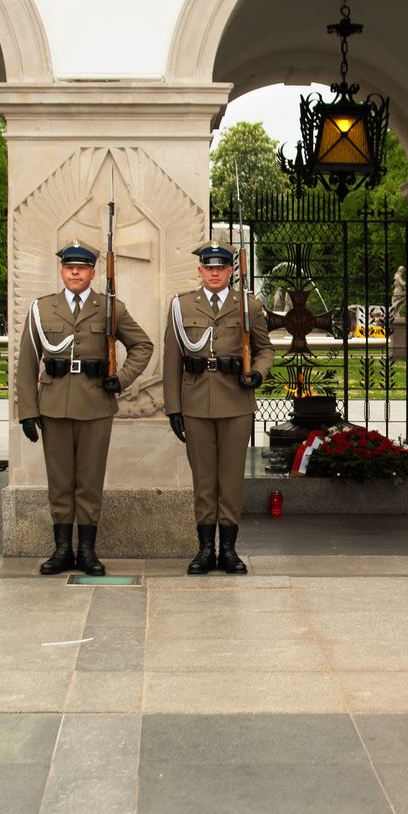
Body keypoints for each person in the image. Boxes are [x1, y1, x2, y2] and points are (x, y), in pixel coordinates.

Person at [16, 241, 154, 576]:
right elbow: (27, 361)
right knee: (60, 480)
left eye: (81, 267)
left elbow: (143, 345)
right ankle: (62, 549)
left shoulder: (110, 308)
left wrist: (120, 379)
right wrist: (27, 410)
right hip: (54, 404)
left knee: (89, 481)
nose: (74, 272)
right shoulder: (42, 309)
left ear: (93, 272)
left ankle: (88, 551)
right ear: (62, 271)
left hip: (95, 404)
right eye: (68, 267)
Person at [163, 241, 275, 575]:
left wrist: (257, 372)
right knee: (204, 480)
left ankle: (228, 550)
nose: (214, 273)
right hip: (195, 402)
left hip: (236, 402)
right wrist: (173, 408)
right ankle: (204, 550)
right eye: (208, 268)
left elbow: (265, 349)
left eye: (221, 268)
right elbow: (172, 360)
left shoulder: (248, 306)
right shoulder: (182, 307)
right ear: (199, 271)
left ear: (230, 271)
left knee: (230, 480)